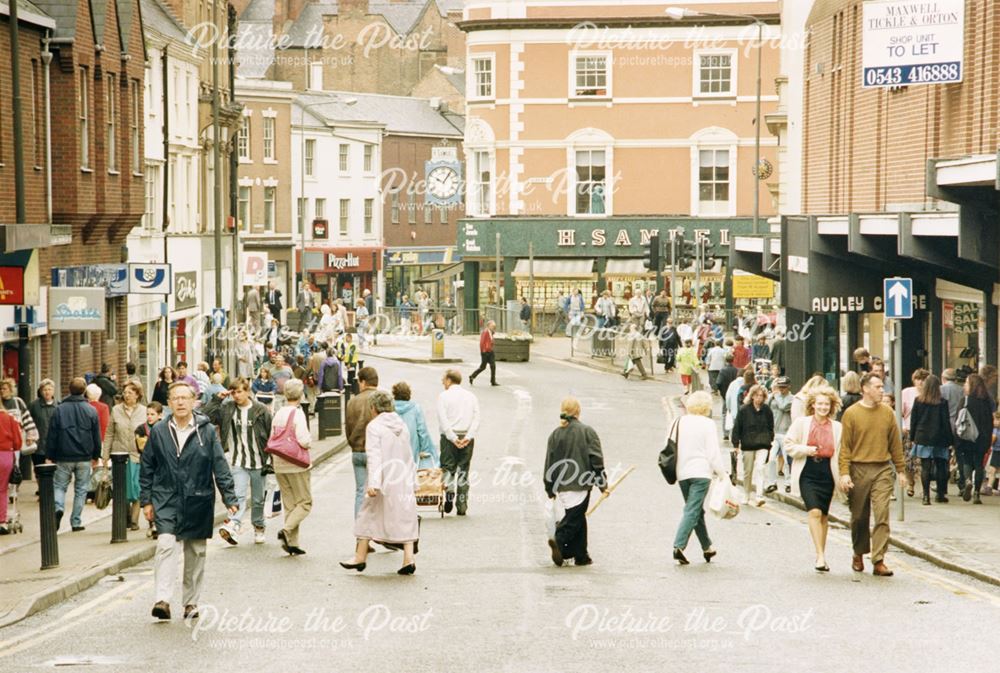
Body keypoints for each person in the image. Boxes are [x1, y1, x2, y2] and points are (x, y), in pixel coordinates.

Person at [141, 382, 237, 621]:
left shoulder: (206, 431)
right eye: (175, 398)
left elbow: (219, 464)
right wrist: (146, 500)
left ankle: (190, 602)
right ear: (169, 403)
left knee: (195, 551)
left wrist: (229, 496)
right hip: (167, 497)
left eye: (185, 398)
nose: (181, 402)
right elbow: (147, 467)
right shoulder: (160, 431)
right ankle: (162, 600)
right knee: (165, 544)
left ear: (194, 401)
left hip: (198, 498)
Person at [340, 390, 419, 575]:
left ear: (374, 407)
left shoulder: (374, 426)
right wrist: (413, 481)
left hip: (383, 478)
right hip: (402, 478)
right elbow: (409, 454)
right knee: (405, 517)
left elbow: (374, 456)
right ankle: (409, 559)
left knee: (367, 514)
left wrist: (374, 484)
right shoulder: (401, 424)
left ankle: (360, 558)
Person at [839, 373, 906, 576]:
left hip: (882, 468)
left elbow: (895, 443)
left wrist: (901, 470)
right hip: (858, 468)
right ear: (865, 389)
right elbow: (845, 447)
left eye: (881, 387)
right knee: (859, 516)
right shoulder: (851, 413)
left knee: (882, 513)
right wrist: (844, 473)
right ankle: (858, 553)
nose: (881, 390)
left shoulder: (887, 413)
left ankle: (879, 559)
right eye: (877, 387)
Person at [202, 378, 273, 545]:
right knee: (238, 495)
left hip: (258, 461)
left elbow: (270, 434)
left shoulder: (260, 410)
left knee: (257, 499)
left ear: (247, 391)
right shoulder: (227, 408)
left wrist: (272, 459)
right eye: (233, 392)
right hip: (237, 460)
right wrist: (217, 399)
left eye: (240, 391)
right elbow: (205, 417)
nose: (236, 396)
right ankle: (233, 524)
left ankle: (259, 526)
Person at [784, 385, 843, 572]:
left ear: (831, 406)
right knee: (814, 512)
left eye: (826, 404)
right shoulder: (802, 423)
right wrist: (806, 450)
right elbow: (788, 444)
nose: (823, 407)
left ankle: (821, 553)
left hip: (827, 472)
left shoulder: (837, 427)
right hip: (808, 470)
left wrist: (843, 476)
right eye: (820, 404)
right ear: (813, 405)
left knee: (824, 515)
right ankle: (820, 555)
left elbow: (841, 453)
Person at [543, 397, 607, 567]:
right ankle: (559, 539)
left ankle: (581, 555)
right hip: (581, 483)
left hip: (562, 486)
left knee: (578, 518)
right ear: (578, 412)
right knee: (574, 518)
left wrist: (549, 487)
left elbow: (549, 463)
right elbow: (596, 459)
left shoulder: (555, 434)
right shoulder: (587, 431)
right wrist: (602, 483)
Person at [671, 391, 729, 565]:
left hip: (682, 472)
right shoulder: (708, 424)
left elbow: (670, 445)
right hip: (701, 473)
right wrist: (723, 474)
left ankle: (707, 547)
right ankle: (678, 546)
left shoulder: (678, 421)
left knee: (695, 510)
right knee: (692, 510)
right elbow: (713, 453)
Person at [46, 377, 102, 532]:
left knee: (59, 486)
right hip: (84, 456)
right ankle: (76, 521)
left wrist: (49, 454)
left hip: (63, 455)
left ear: (69, 390)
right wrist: (96, 456)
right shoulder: (91, 410)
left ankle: (58, 507)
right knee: (81, 489)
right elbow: (96, 436)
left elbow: (52, 434)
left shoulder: (59, 409)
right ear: (84, 391)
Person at [269, 378, 313, 555]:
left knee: (290, 504)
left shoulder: (278, 412)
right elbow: (303, 439)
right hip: (296, 463)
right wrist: (309, 443)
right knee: (305, 502)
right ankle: (286, 531)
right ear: (301, 394)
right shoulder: (298, 414)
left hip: (279, 462)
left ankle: (292, 543)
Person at [102, 382, 147, 530]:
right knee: (122, 489)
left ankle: (134, 521)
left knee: (136, 488)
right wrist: (105, 455)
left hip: (137, 456)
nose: (126, 395)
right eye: (125, 392)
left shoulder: (143, 411)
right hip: (119, 456)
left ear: (137, 395)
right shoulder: (115, 410)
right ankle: (125, 518)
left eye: (130, 393)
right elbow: (109, 433)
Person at [437, 369, 480, 516]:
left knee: (448, 468)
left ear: (449, 380)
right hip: (466, 437)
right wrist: (468, 436)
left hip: (449, 438)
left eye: (444, 379)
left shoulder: (443, 396)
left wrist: (453, 438)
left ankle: (449, 494)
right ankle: (462, 505)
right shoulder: (471, 396)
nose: (442, 382)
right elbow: (476, 418)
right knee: (463, 471)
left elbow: (443, 420)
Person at [908, 374, 953, 505]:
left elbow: (913, 420)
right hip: (939, 437)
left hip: (923, 437)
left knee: (925, 467)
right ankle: (939, 494)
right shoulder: (942, 402)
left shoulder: (918, 400)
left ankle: (926, 496)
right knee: (940, 466)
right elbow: (946, 422)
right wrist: (950, 440)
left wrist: (913, 437)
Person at [731, 384, 775, 506]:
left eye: (761, 396)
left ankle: (759, 495)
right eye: (756, 395)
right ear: (752, 396)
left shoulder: (767, 410)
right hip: (748, 444)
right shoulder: (744, 410)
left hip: (763, 443)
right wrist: (736, 444)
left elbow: (771, 426)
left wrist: (770, 438)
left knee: (760, 468)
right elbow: (737, 428)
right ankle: (746, 493)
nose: (759, 398)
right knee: (748, 471)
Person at [345, 367, 380, 517]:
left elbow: (348, 428)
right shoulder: (381, 399)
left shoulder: (352, 401)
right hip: (377, 452)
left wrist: (354, 444)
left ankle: (360, 528)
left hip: (358, 451)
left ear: (364, 382)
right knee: (378, 490)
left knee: (360, 491)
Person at [956, 373, 994, 504]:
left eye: (966, 383)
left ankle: (967, 481)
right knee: (979, 464)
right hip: (982, 438)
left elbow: (958, 420)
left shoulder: (965, 400)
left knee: (967, 460)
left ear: (971, 386)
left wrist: (957, 439)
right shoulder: (987, 402)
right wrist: (988, 440)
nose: (964, 385)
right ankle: (977, 493)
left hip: (967, 437)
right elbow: (990, 421)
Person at [393, 382, 438, 470]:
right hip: (412, 447)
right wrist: (424, 449)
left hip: (394, 446)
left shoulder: (390, 408)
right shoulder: (415, 408)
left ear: (394, 394)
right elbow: (422, 430)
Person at [135, 402, 163, 538]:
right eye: (148, 414)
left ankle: (158, 524)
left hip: (162, 466)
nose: (149, 417)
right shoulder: (141, 429)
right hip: (147, 465)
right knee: (148, 494)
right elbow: (141, 447)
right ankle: (152, 524)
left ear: (160, 415)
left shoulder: (165, 427)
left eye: (153, 414)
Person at [900, 368, 930, 496]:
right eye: (918, 379)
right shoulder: (907, 392)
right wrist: (902, 426)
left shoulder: (930, 394)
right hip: (909, 429)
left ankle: (924, 487)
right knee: (908, 461)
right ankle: (910, 483)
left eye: (923, 380)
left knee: (922, 461)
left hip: (924, 431)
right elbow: (900, 412)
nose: (921, 382)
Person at [1, 378, 39, 480]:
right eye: (1, 389)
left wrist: (31, 435)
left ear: (11, 390)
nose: (2, 391)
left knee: (15, 466)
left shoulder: (18, 402)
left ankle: (13, 491)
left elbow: (27, 419)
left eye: (4, 388)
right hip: (4, 441)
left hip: (16, 439)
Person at [766, 377, 794, 493]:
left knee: (787, 461)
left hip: (786, 433)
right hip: (774, 432)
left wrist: (775, 396)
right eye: (779, 387)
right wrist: (771, 396)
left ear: (789, 387)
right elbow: (766, 408)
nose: (781, 389)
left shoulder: (792, 399)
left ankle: (788, 483)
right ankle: (772, 483)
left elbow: (783, 406)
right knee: (771, 459)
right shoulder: (773, 397)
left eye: (784, 387)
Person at [0, 404, 23, 534]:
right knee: (2, 489)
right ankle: (1, 521)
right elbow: (18, 442)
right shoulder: (9, 419)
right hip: (5, 455)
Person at [28, 379, 59, 470]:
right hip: (38, 447)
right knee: (39, 472)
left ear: (53, 391)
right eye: (45, 390)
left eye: (49, 389)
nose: (47, 392)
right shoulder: (33, 406)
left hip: (55, 447)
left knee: (53, 473)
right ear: (41, 391)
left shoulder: (59, 406)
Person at [470, 320, 498, 386]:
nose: (494, 327)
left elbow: (491, 341)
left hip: (490, 351)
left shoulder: (491, 332)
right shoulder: (485, 332)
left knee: (493, 366)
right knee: (483, 367)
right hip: (486, 352)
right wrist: (483, 351)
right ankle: (472, 376)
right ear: (488, 326)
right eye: (492, 326)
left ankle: (493, 381)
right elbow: (482, 342)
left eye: (494, 326)